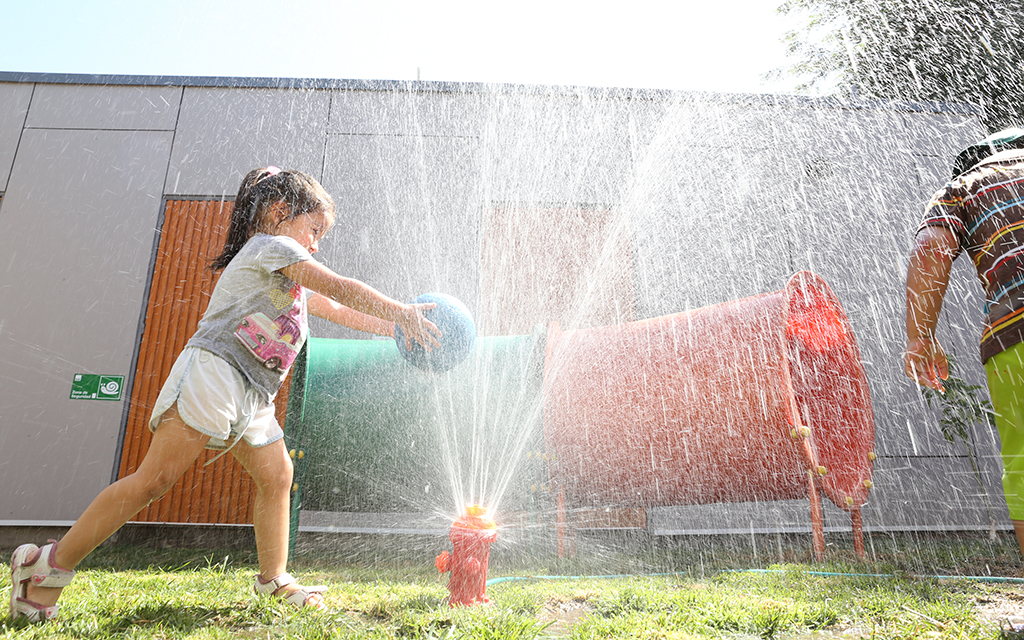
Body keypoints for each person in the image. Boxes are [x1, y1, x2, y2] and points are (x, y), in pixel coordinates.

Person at [8, 167, 441, 622]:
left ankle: (274, 578)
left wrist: (396, 328)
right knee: (155, 480)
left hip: (253, 393)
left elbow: (333, 307)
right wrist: (402, 311)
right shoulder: (270, 248)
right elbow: (339, 287)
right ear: (278, 214)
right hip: (215, 373)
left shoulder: (287, 273)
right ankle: (45, 566)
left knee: (277, 476)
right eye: (314, 230)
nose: (315, 244)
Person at [904, 128, 1024, 554]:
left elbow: (931, 247)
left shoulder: (964, 187)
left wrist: (921, 338)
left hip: (1016, 334)